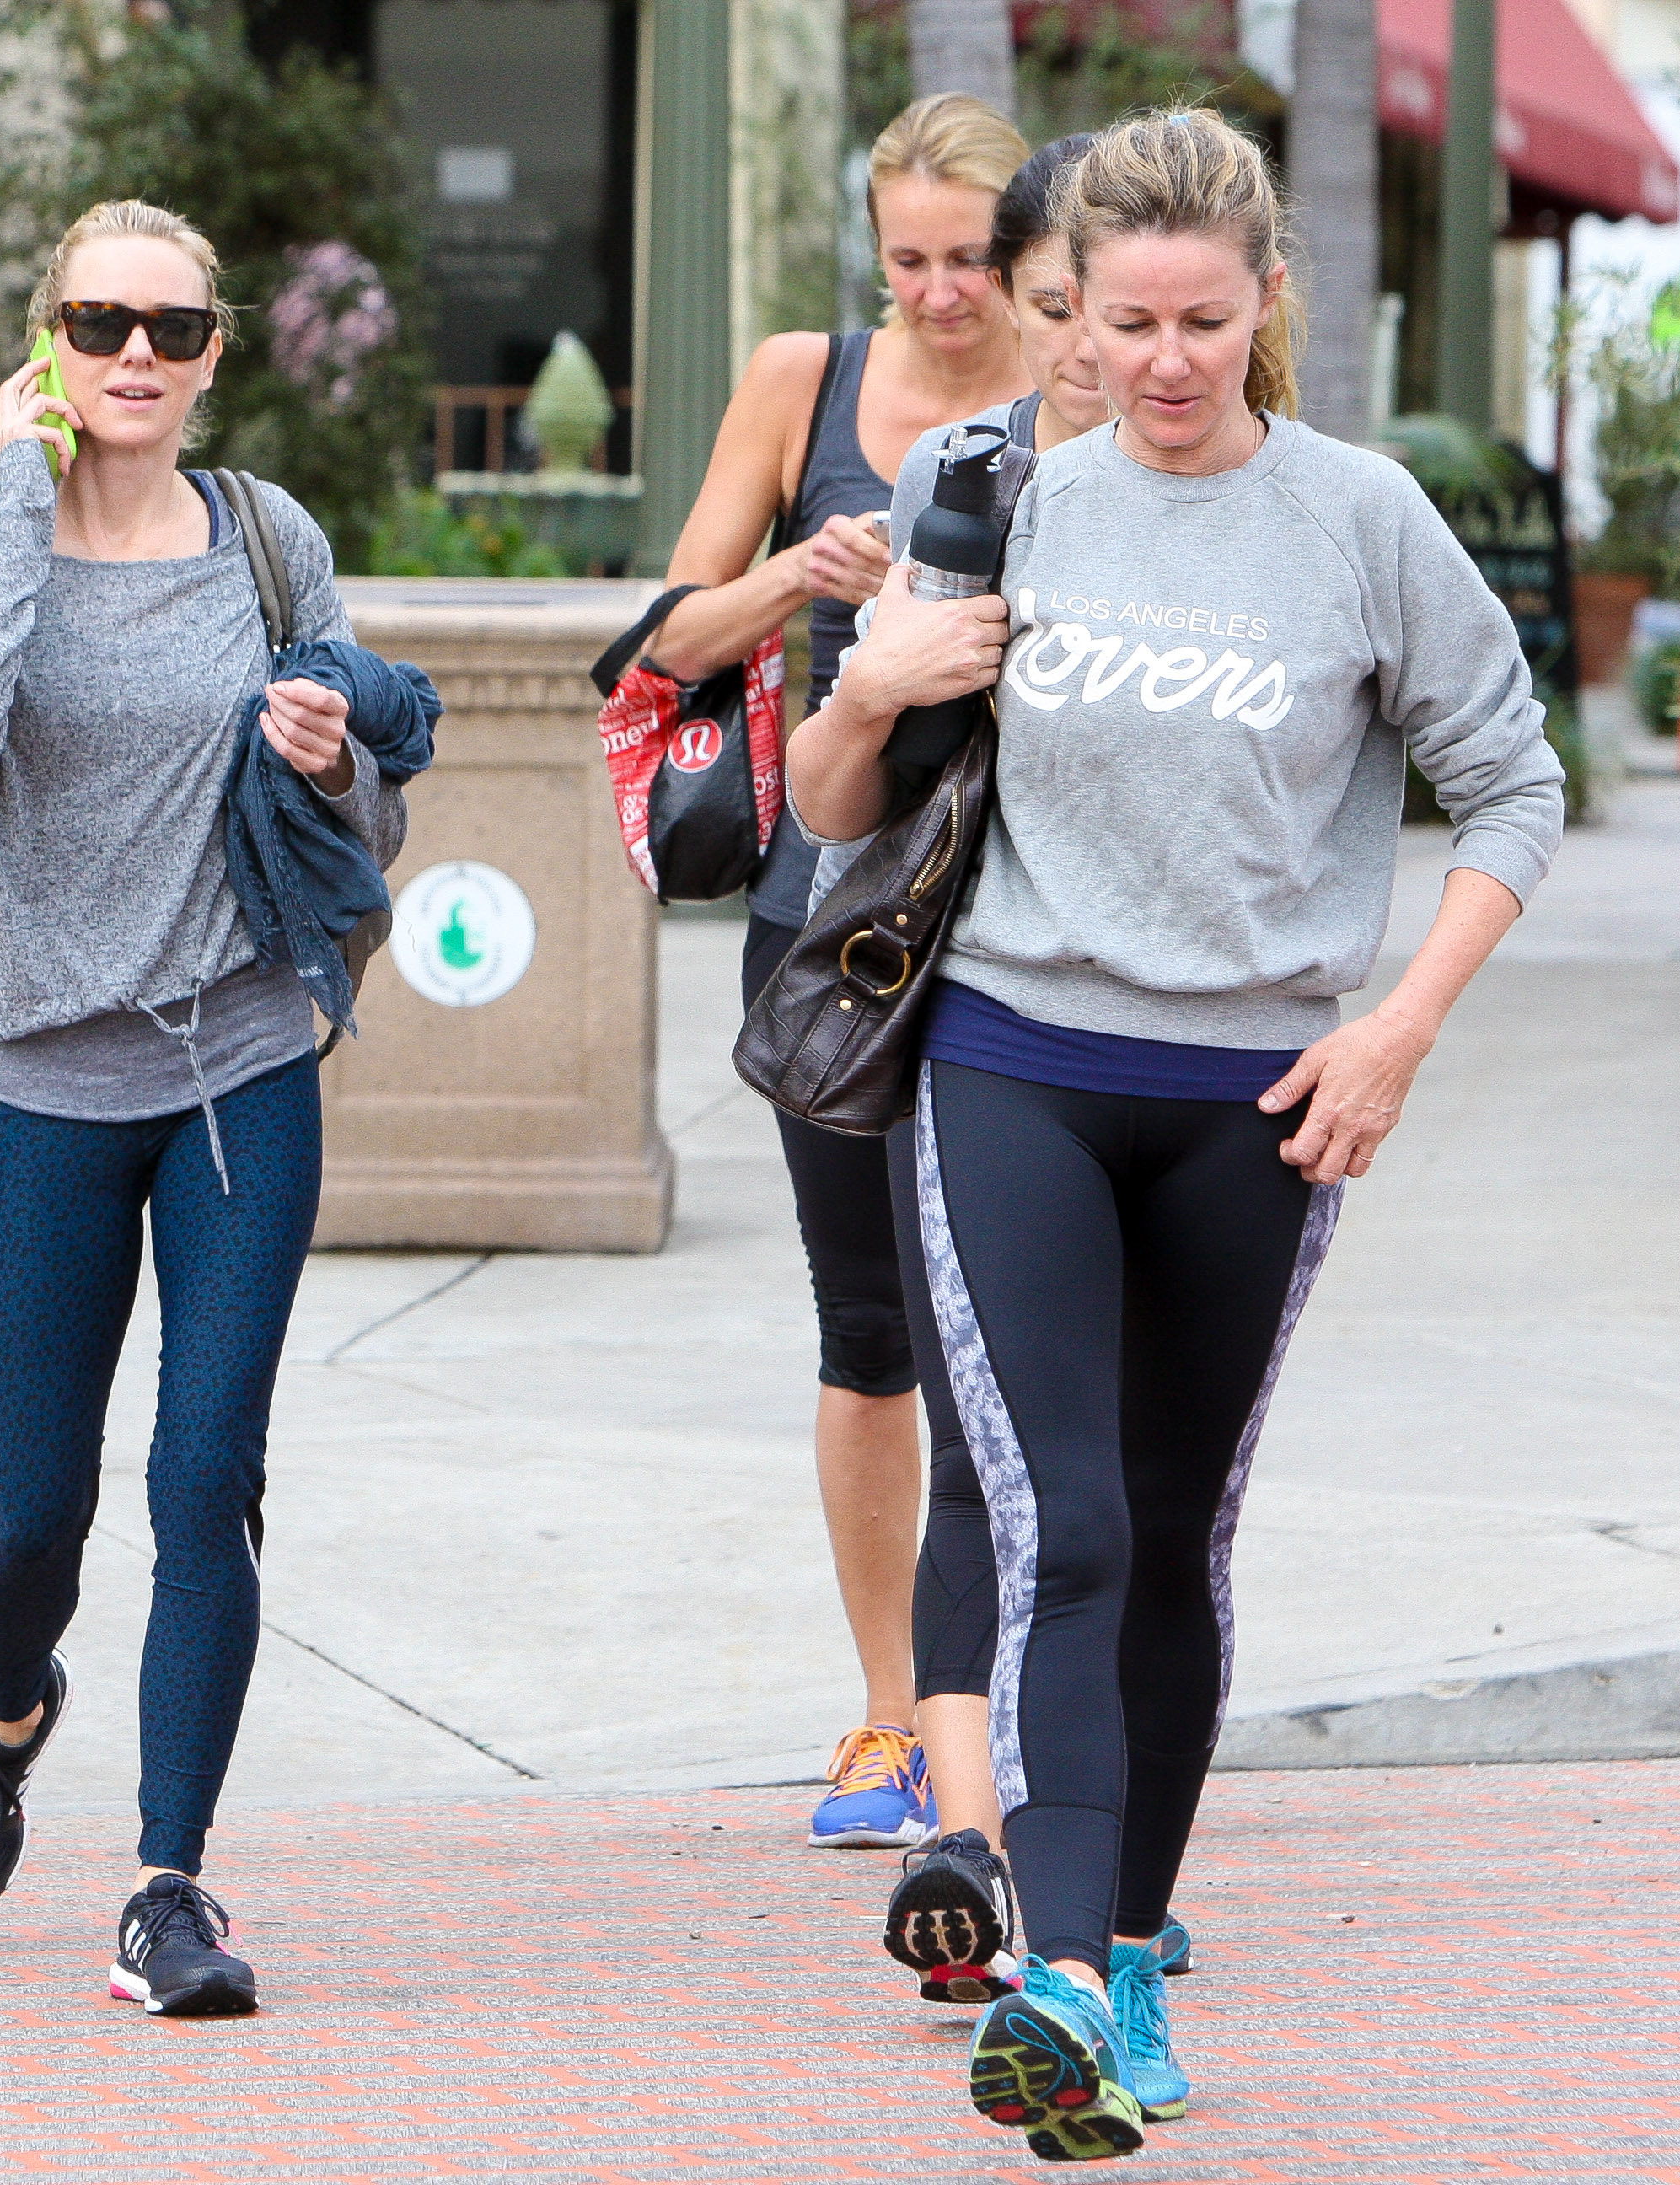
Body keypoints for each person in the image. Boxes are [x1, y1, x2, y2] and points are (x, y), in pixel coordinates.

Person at [789, 107, 1563, 2159]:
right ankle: (1051, 1977)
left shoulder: (1360, 519)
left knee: (1176, 1533)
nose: (1159, 361)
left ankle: (1125, 1960)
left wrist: (1396, 1031)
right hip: (1013, 1061)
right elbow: (837, 809)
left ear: (1266, 301)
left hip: (1258, 1099)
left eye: (1201, 322)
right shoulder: (999, 501)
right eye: (1122, 322)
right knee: (1067, 1521)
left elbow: (1513, 787)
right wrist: (869, 685)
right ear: (1075, 314)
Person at [0, 199, 422, 2018]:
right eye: (101, 321)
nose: (136, 353)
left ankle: (167, 1885)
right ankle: (4, 1719)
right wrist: (15, 492)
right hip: (45, 1085)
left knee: (209, 1478)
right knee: (23, 1521)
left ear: (212, 355)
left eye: (173, 329)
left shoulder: (269, 542)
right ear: (47, 336)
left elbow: (374, 805)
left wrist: (335, 762)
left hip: (240, 1071)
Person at [651, 91, 1033, 1849]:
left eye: (972, 260)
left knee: (1012, 1342)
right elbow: (669, 634)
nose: (943, 295)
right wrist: (804, 573)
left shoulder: (1089, 377)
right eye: (910, 261)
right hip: (832, 922)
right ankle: (890, 1717)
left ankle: (1013, 1714)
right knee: (869, 1329)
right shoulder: (806, 380)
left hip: (1024, 915)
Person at [825, 131, 1110, 2011]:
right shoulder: (964, 479)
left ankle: (1110, 1871)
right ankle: (971, 1839)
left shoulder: (1296, 505)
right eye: (1060, 303)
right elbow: (842, 798)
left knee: (1123, 1490)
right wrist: (883, 673)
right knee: (975, 1440)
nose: (1095, 346)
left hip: (1197, 1057)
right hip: (975, 1021)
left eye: (1128, 308)